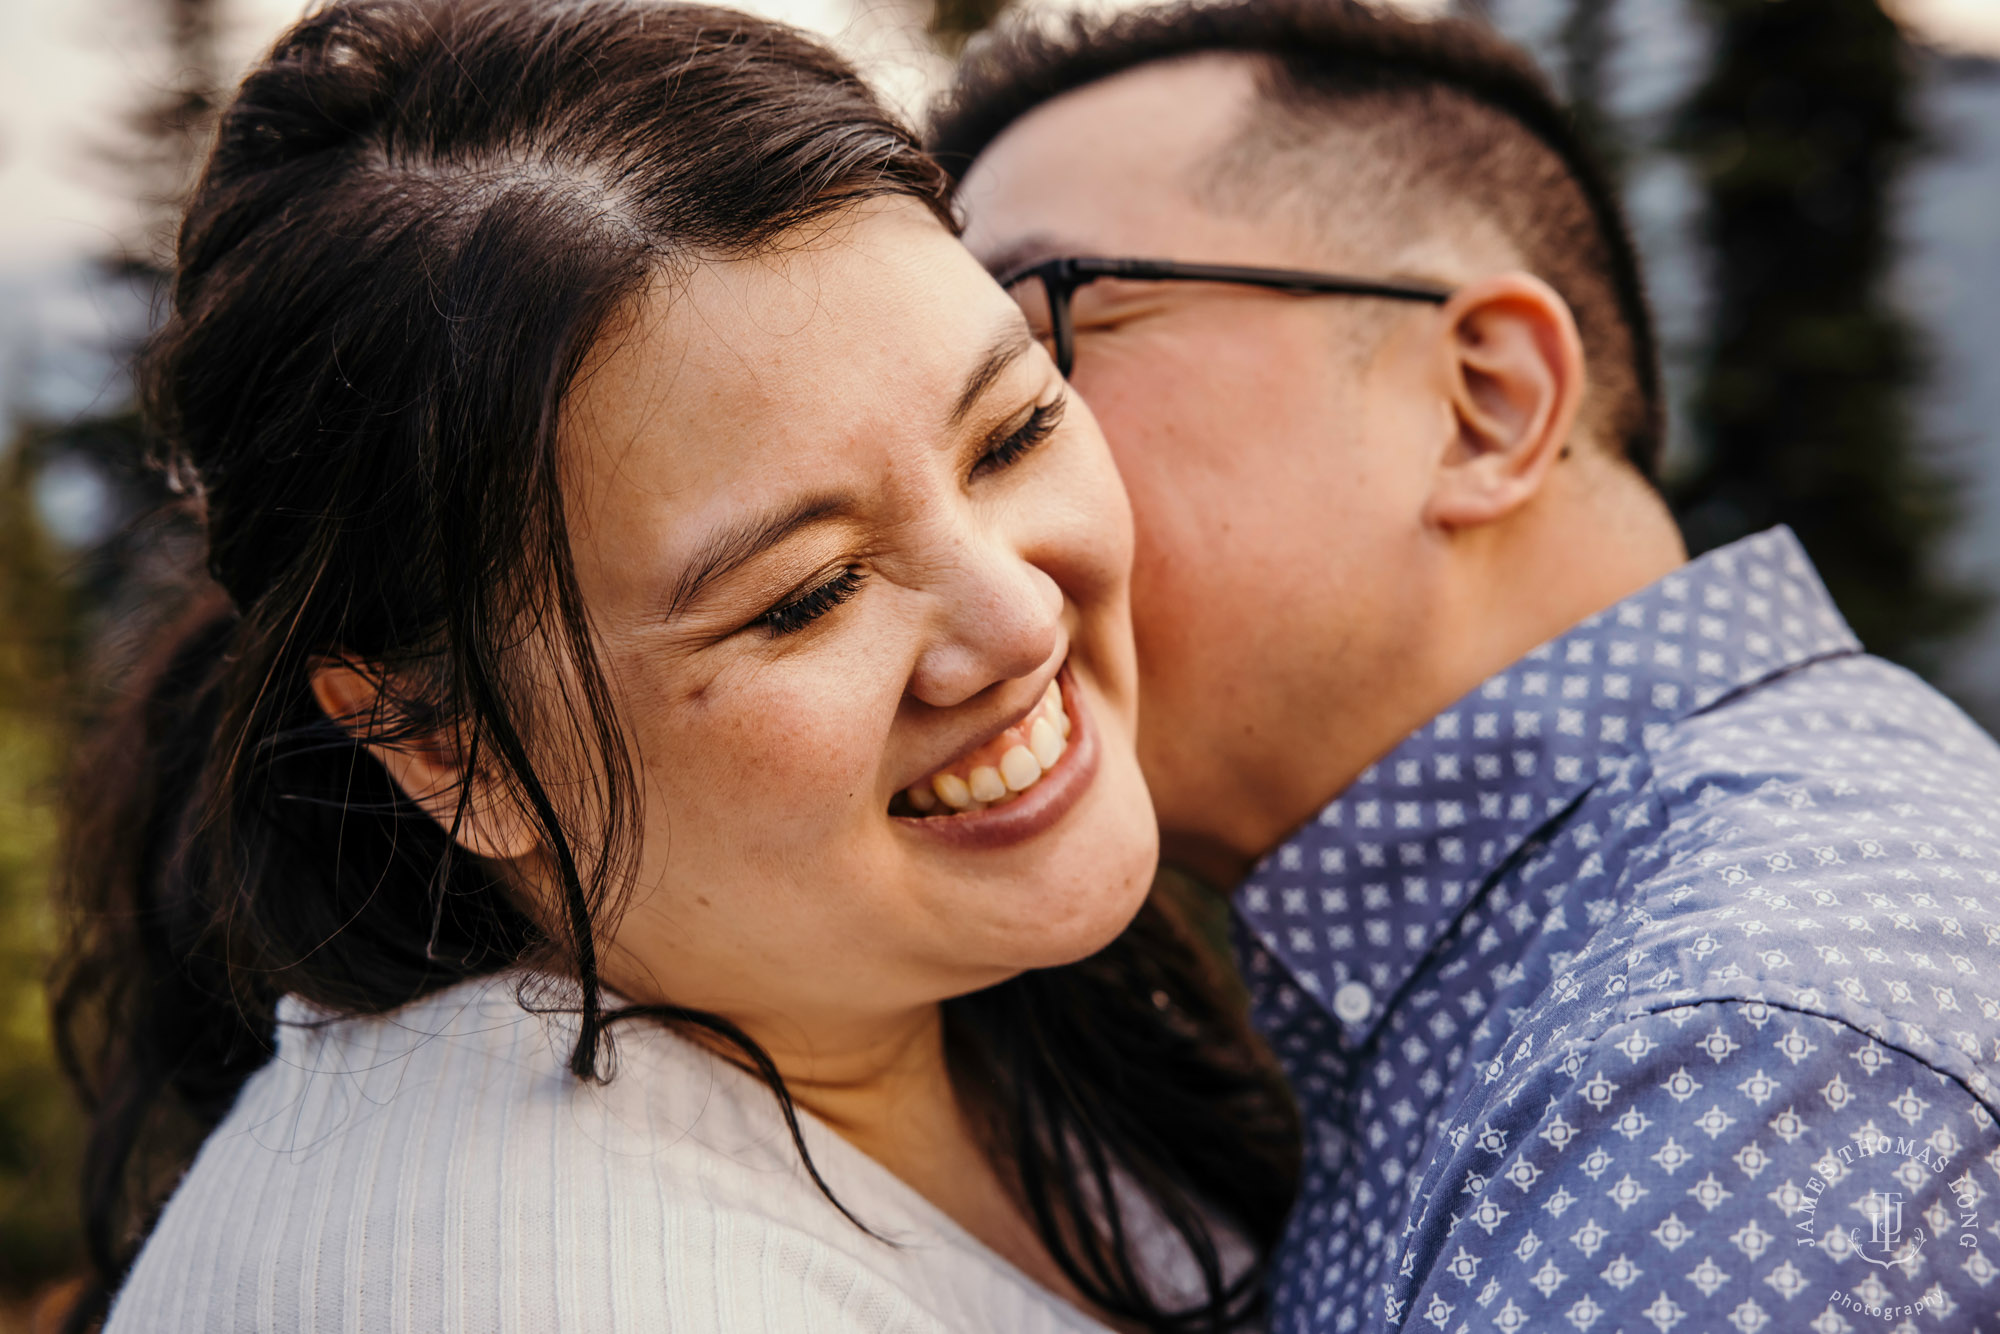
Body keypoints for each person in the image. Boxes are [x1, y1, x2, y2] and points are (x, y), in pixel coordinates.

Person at [50, 2, 1300, 1330]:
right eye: (807, 594)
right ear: (444, 745)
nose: (1015, 618)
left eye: (1014, 431)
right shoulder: (523, 1288)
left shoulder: (945, 999)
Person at [934, 1, 2000, 1329]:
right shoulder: (1563, 992)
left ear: (1482, 402)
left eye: (1035, 363)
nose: (956, 504)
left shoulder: (1743, 1055)